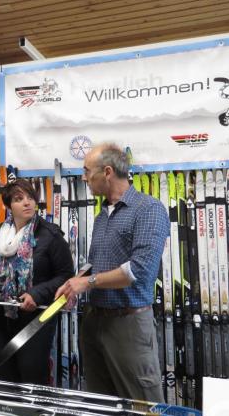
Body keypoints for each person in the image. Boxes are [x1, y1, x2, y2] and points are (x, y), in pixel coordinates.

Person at [54, 143, 170, 402]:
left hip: (128, 324)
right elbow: (99, 263)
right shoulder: (102, 215)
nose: (84, 178)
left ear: (107, 172)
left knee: (145, 407)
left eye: (87, 171)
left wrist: (89, 283)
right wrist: (76, 283)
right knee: (101, 405)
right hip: (95, 322)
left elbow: (138, 270)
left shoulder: (148, 209)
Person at [0, 178, 73, 385]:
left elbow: (66, 276)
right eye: (19, 199)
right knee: (6, 372)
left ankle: (36, 415)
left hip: (36, 316)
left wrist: (37, 294)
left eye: (30, 198)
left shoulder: (50, 234)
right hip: (1, 315)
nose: (27, 203)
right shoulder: (0, 234)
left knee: (32, 372)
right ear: (8, 205)